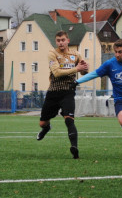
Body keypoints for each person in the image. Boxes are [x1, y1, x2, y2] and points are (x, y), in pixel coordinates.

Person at [36, 30, 88, 159]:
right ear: (56, 41)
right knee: (42, 123)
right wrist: (77, 69)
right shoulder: (52, 53)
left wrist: (85, 68)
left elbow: (84, 73)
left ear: (68, 41)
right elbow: (57, 73)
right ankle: (46, 128)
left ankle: (74, 148)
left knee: (69, 119)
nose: (61, 43)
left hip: (68, 91)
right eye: (58, 40)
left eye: (63, 40)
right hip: (53, 91)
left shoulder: (76, 54)